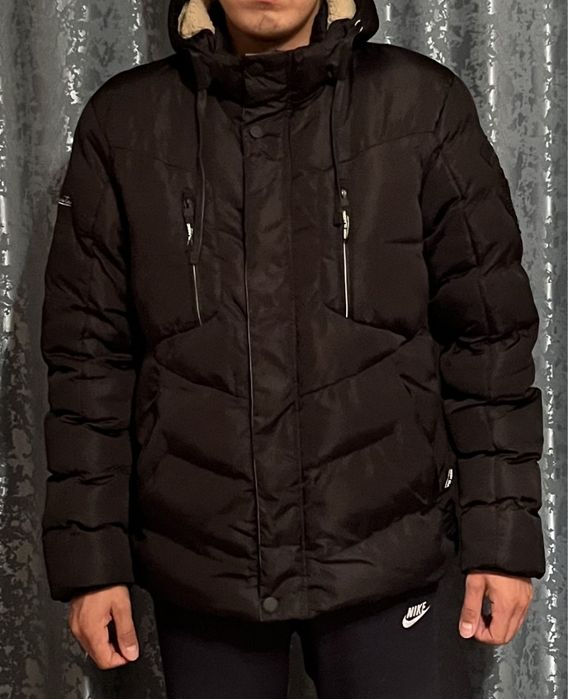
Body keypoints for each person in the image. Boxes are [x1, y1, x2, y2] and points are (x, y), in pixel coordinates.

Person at [40, 0, 547, 696]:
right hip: (205, 576)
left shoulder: (421, 107)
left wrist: (501, 540)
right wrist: (92, 563)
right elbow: (88, 361)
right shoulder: (125, 124)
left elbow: (488, 338)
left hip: (389, 564)